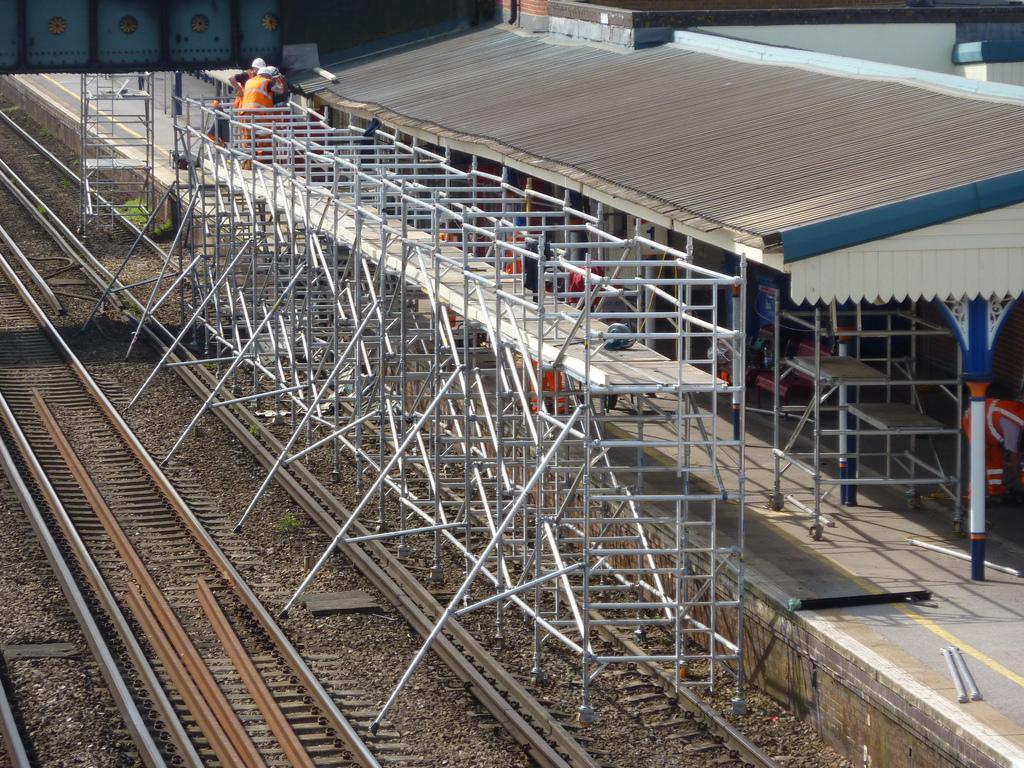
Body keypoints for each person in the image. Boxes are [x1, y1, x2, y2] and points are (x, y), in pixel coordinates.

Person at [963, 398, 1024, 501]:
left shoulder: (1018, 417)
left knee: (995, 457)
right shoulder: (1013, 427)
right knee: (980, 459)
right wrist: (1018, 478)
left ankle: (996, 490)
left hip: (988, 418)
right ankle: (973, 495)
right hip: (974, 420)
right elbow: (1014, 455)